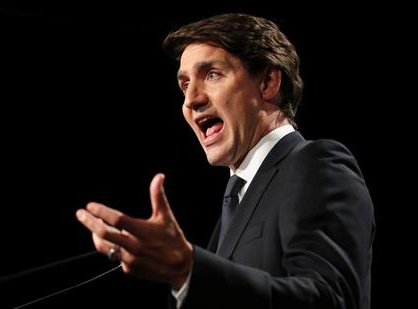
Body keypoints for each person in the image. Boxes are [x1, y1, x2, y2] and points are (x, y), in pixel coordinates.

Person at [76, 12, 375, 309]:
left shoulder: (316, 164)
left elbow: (333, 299)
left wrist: (188, 270)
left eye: (212, 75)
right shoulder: (235, 203)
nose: (191, 99)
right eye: (184, 84)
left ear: (268, 82)